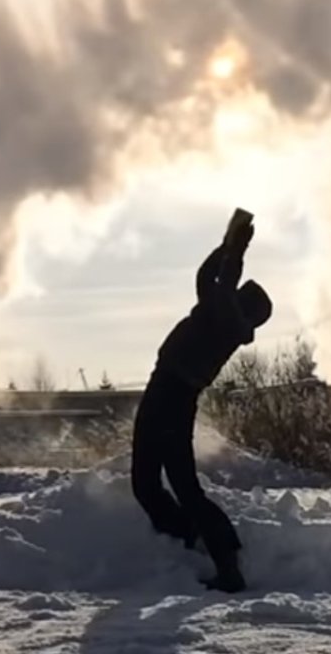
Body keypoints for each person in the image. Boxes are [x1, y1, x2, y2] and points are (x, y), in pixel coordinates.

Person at [131, 213, 272, 593]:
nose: (237, 292)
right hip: (166, 391)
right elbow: (207, 280)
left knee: (177, 486)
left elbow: (219, 283)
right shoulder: (219, 313)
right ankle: (192, 543)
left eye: (243, 294)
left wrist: (235, 248)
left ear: (245, 307)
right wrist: (227, 247)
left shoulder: (227, 319)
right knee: (147, 483)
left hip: (172, 396)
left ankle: (225, 562)